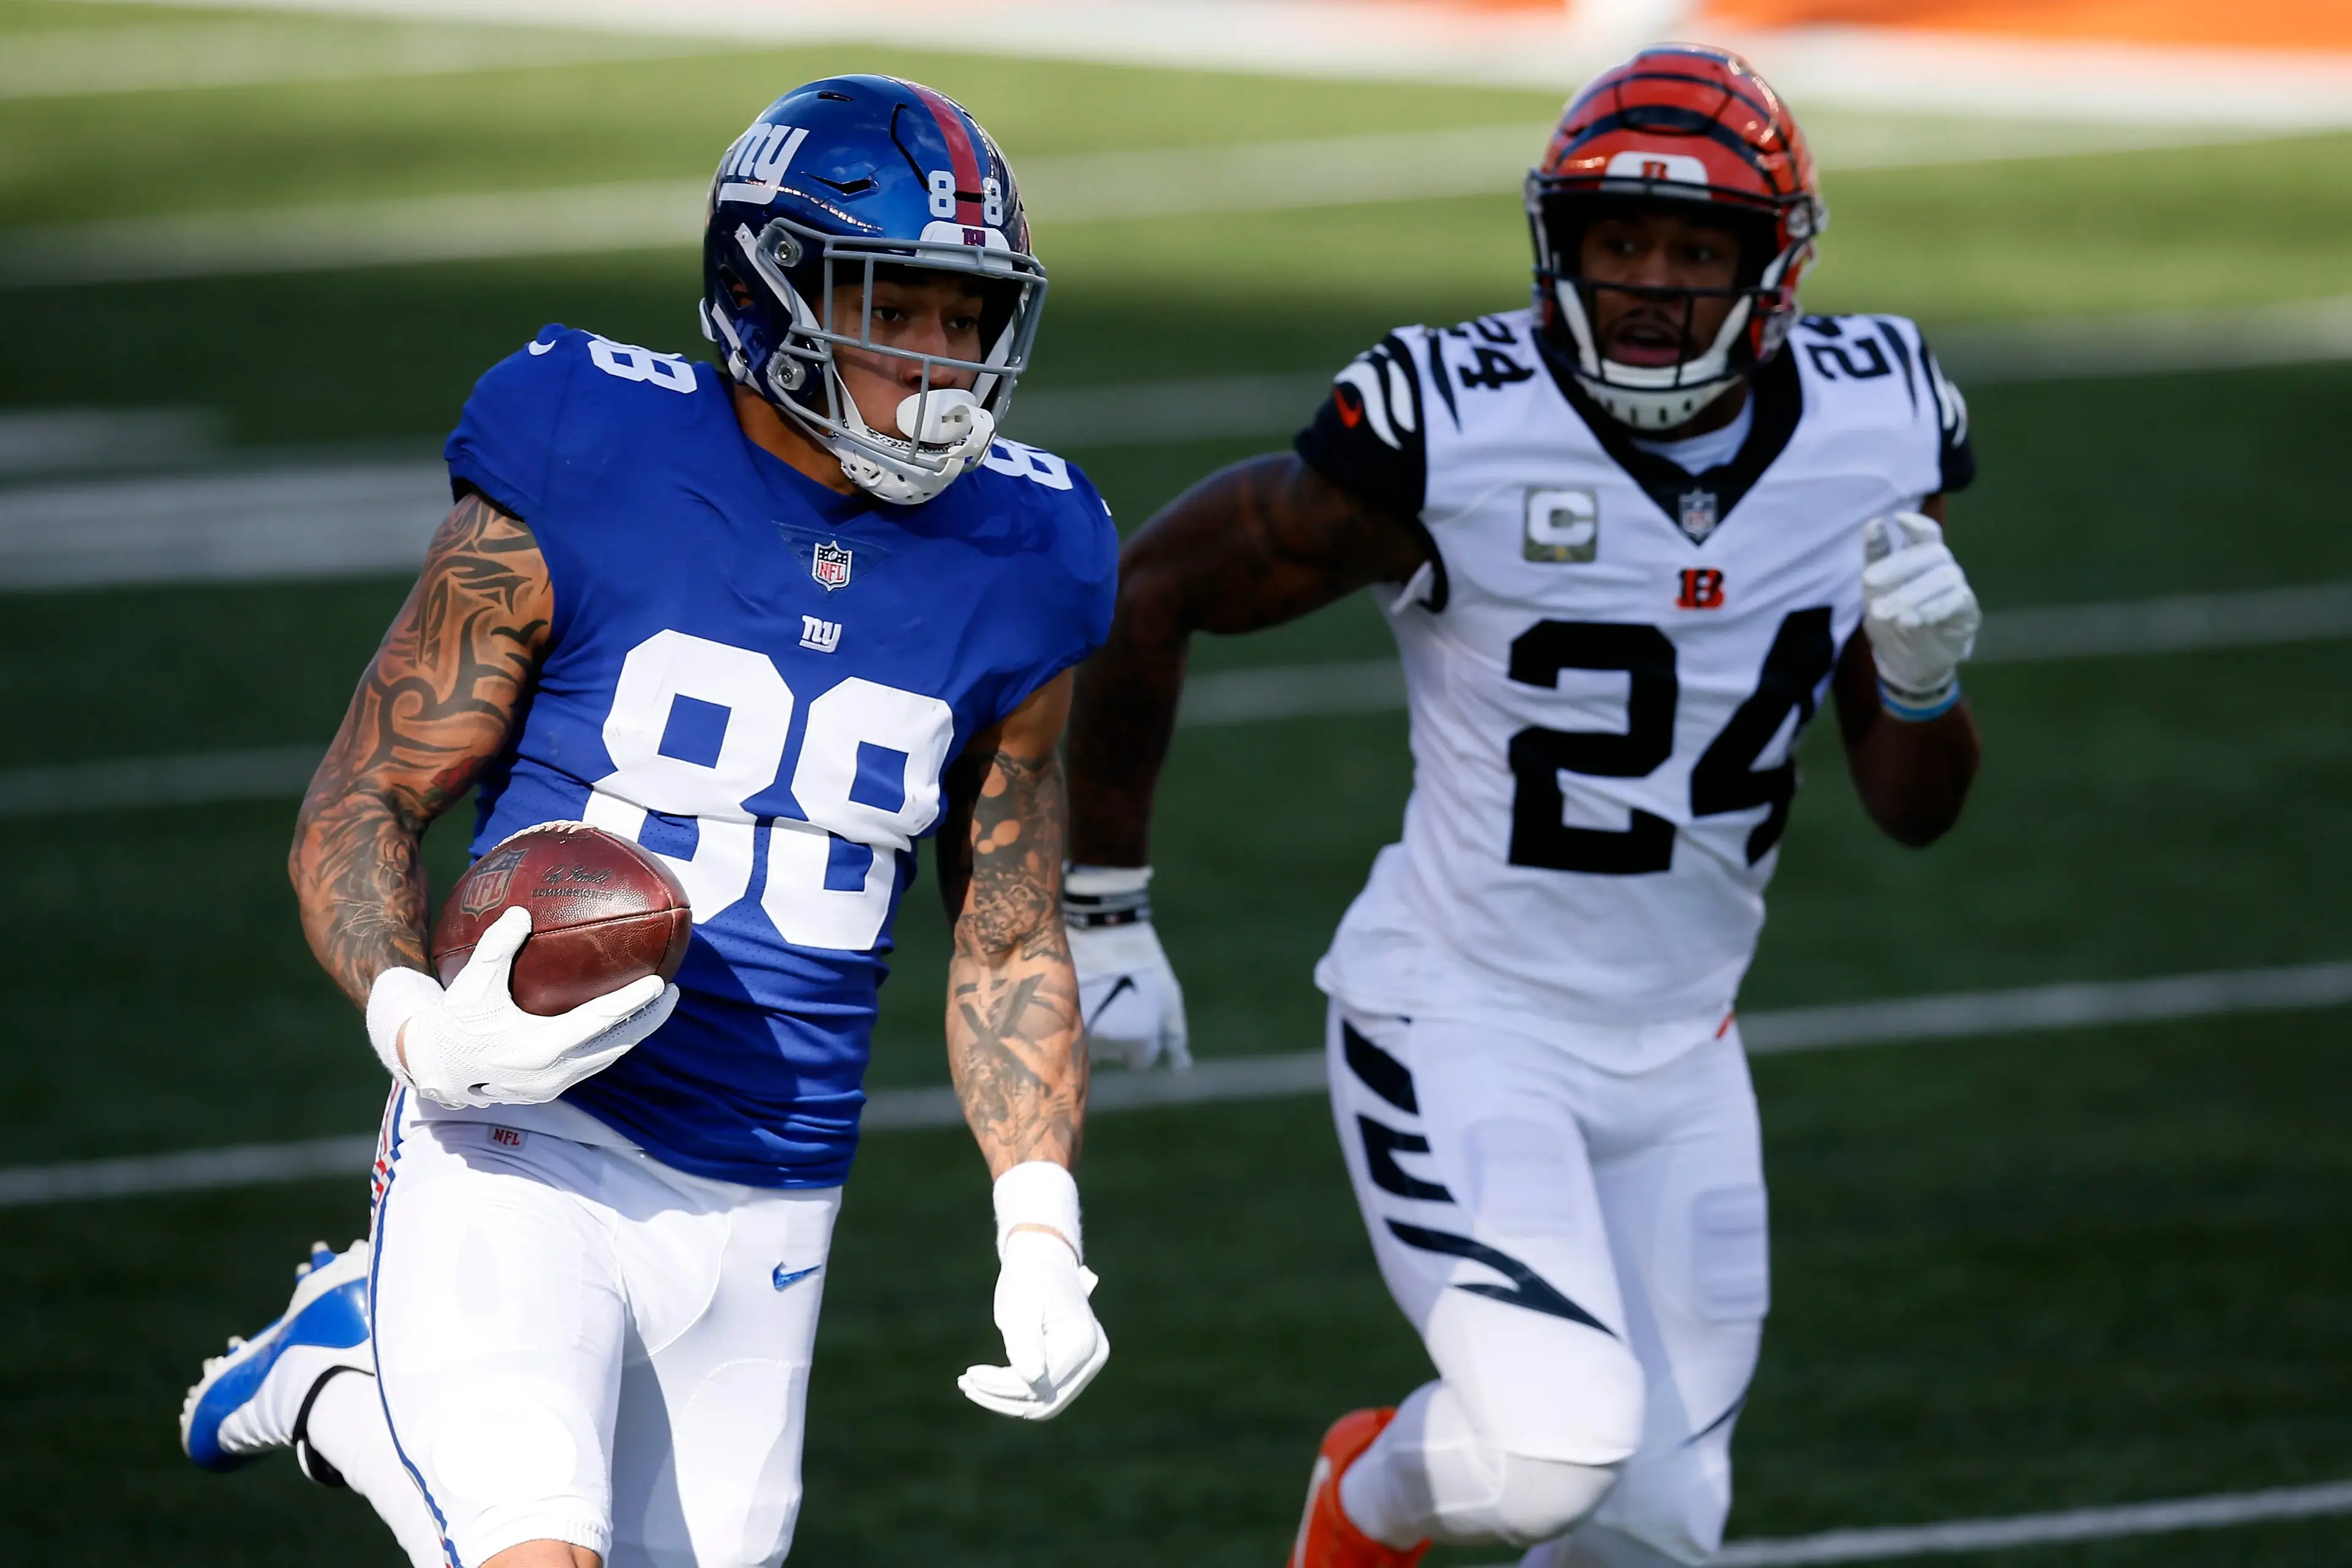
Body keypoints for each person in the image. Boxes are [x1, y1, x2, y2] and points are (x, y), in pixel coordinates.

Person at [1062, 44, 1982, 1568]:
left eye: (1699, 248)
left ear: (1777, 264)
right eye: (1620, 239)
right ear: (1561, 245)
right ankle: (1359, 1501)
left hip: (1686, 1044)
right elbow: (1149, 587)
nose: (1652, 282)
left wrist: (1927, 682)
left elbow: (1916, 810)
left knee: (1658, 1527)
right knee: (1552, 1451)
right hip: (1464, 1018)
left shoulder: (1877, 424)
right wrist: (1102, 907)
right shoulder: (1453, 422)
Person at [178, 76, 1117, 1568]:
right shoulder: (587, 443)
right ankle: (361, 1353)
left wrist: (1041, 1226)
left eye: (968, 318)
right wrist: (423, 1026)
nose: (939, 361)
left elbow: (1006, 929)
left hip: (774, 1173)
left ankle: (336, 1373)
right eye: (897, 307)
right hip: (524, 1127)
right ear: (770, 290)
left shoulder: (1033, 546)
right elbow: (371, 791)